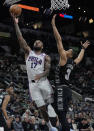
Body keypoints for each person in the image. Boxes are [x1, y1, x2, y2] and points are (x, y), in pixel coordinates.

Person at [11, 13, 58, 131]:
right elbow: (20, 38)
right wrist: (15, 23)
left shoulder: (45, 57)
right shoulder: (28, 52)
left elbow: (47, 70)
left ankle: (57, 117)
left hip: (43, 82)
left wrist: (41, 74)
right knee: (42, 109)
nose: (37, 42)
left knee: (51, 104)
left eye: (39, 42)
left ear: (42, 46)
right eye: (36, 41)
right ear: (33, 45)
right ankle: (50, 126)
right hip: (32, 84)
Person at [51, 14, 90, 131]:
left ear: (68, 54)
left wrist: (53, 25)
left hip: (62, 89)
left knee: (61, 114)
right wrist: (83, 49)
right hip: (66, 90)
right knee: (57, 110)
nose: (66, 50)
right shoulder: (72, 63)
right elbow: (79, 58)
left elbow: (58, 39)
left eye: (68, 50)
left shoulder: (64, 58)